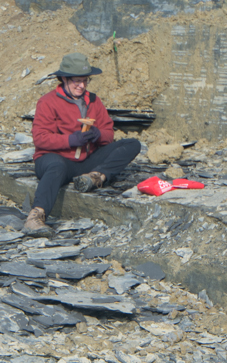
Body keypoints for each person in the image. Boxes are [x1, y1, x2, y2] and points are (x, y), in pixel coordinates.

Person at [24, 52, 143, 237]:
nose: (81, 85)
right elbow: (40, 138)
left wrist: (97, 135)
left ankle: (95, 177)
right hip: (55, 160)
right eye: (76, 81)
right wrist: (70, 140)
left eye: (85, 81)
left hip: (85, 162)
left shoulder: (94, 100)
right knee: (56, 166)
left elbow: (108, 134)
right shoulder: (47, 102)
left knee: (132, 144)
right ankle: (35, 217)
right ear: (64, 78)